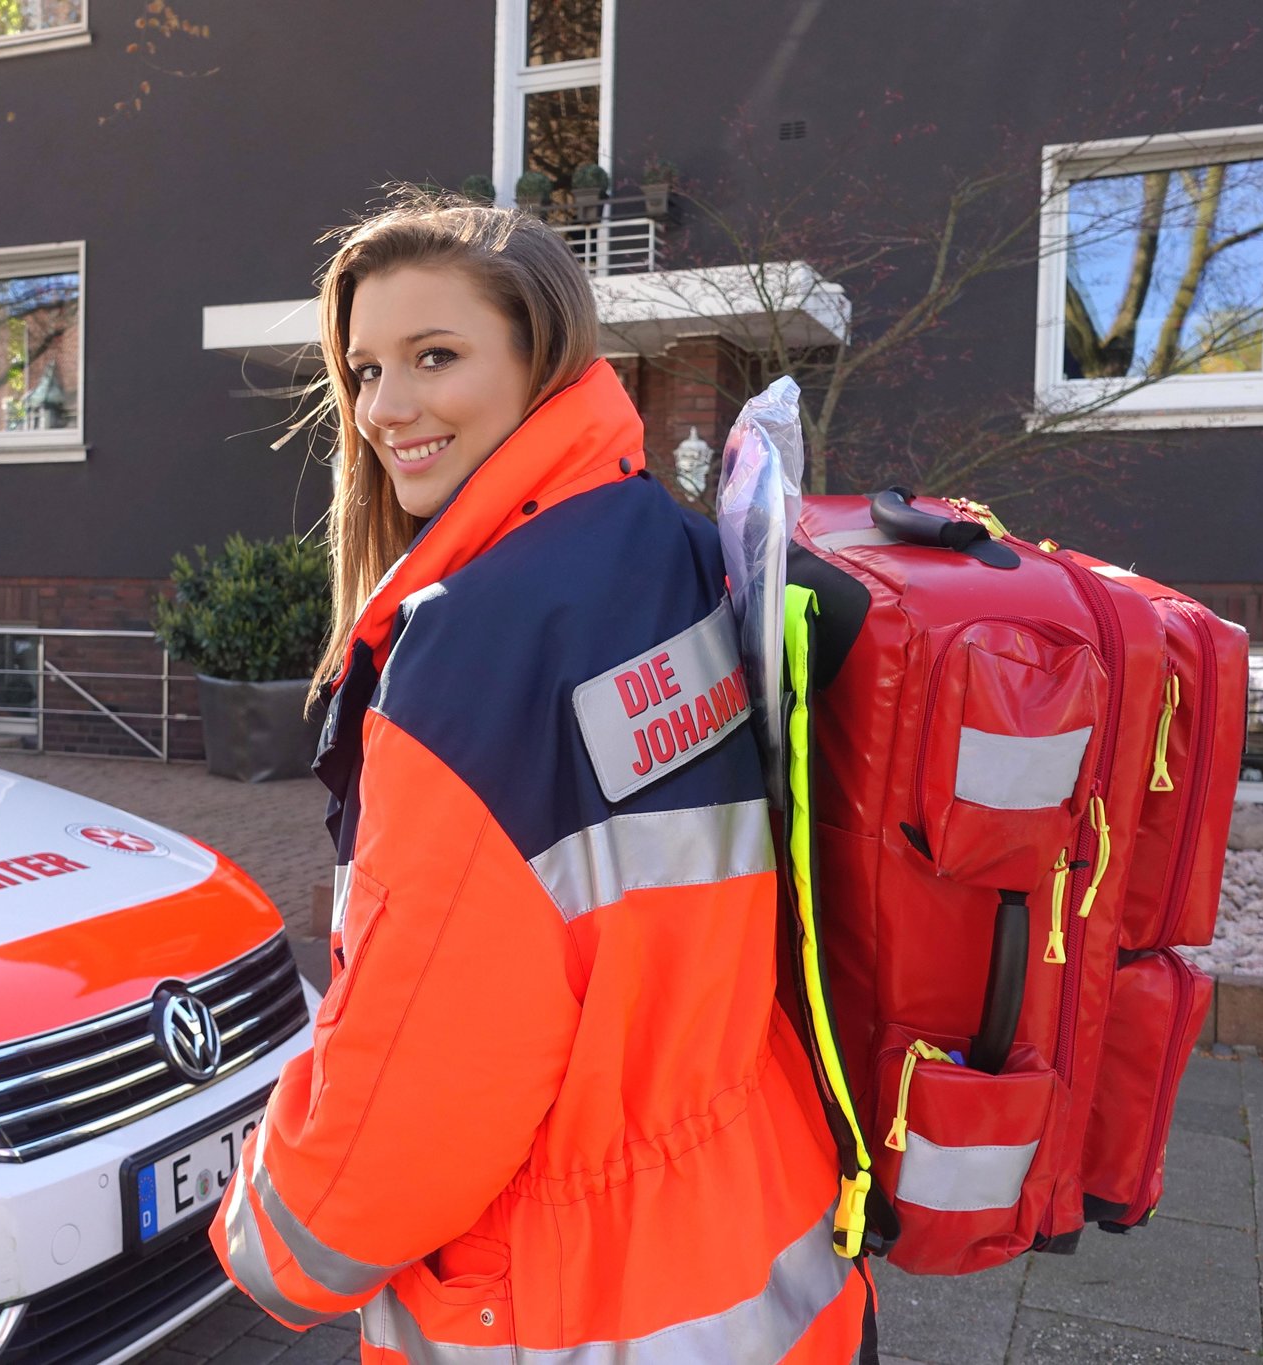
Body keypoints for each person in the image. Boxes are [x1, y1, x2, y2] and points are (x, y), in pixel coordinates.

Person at [209, 194, 872, 1362]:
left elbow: (409, 1106)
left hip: (571, 1301)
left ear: (542, 358)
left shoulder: (477, 649)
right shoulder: (667, 548)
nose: (384, 410)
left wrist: (267, 1229)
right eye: (364, 369)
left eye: (434, 357)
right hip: (768, 1236)